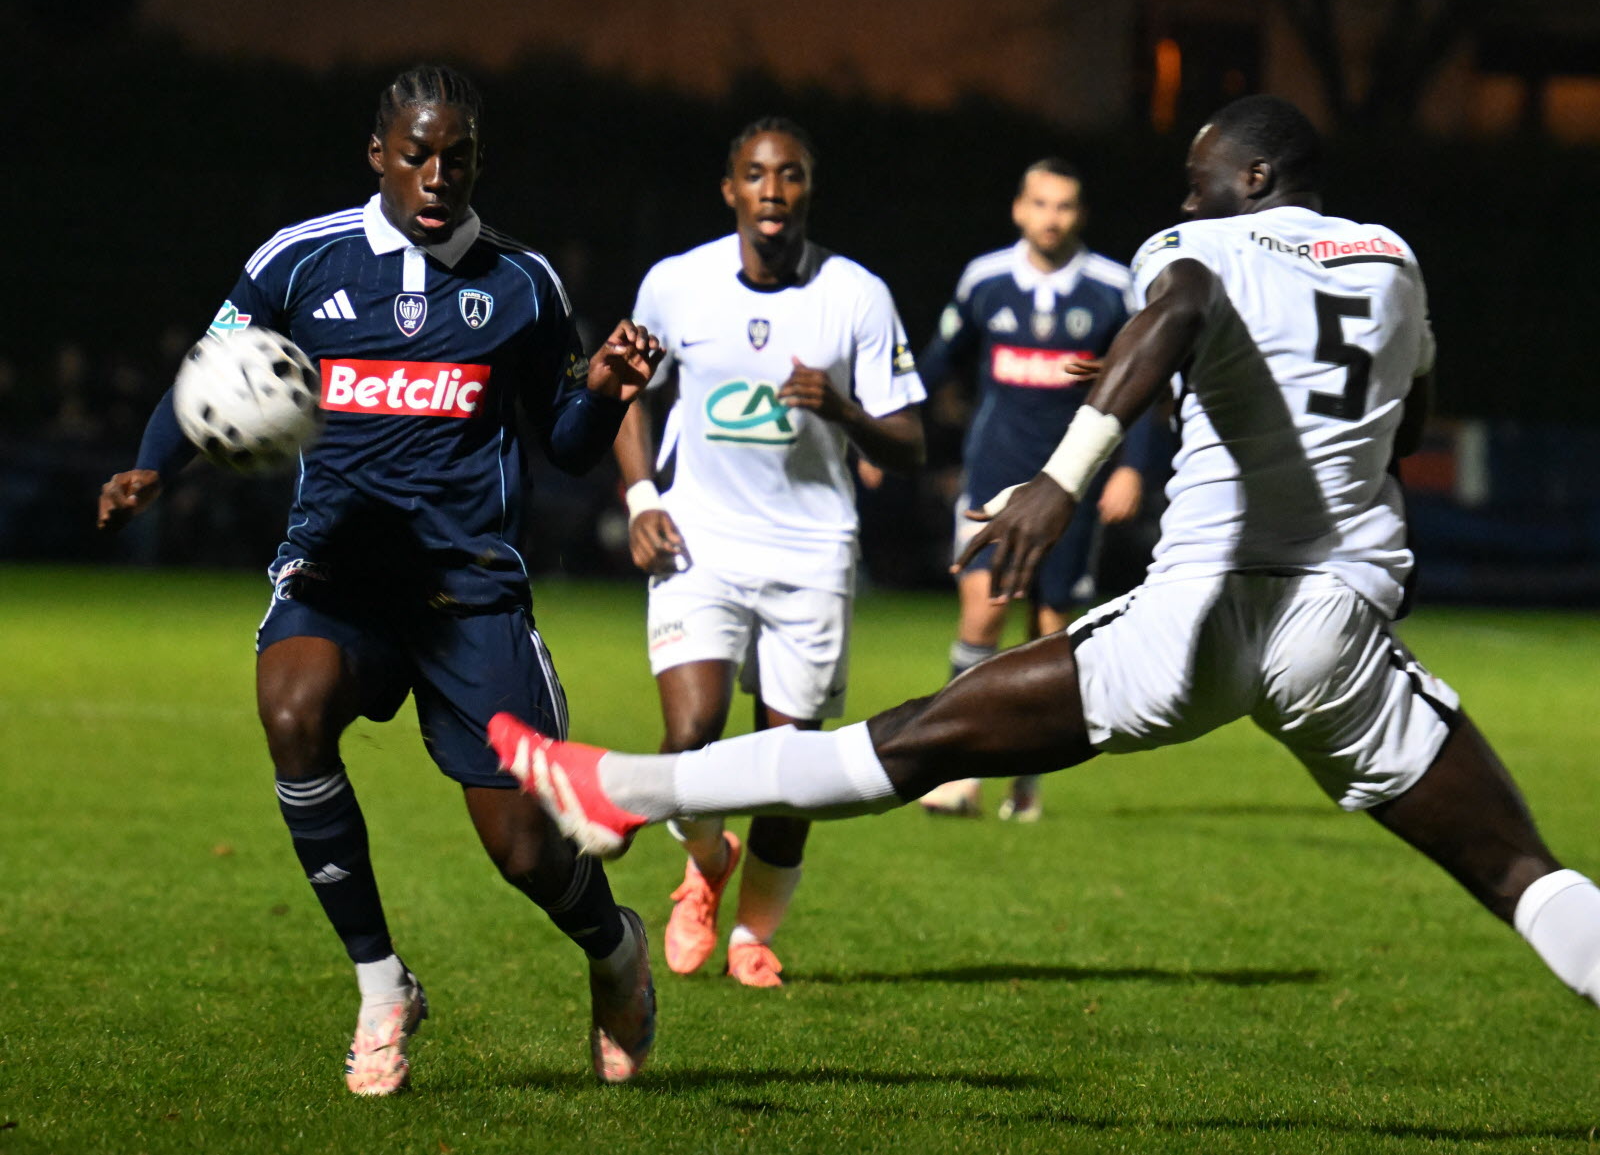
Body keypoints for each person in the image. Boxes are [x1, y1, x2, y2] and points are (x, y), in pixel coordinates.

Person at [489, 95, 1600, 1028]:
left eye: (1198, 174)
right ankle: (633, 793)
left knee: (912, 738)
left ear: (1255, 174)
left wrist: (1059, 481)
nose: (1181, 197)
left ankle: (625, 786)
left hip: (1196, 619)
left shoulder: (1185, 251)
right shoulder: (1392, 258)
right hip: (1335, 633)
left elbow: (1186, 309)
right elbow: (1406, 422)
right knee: (1522, 872)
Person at [97, 65, 662, 1093]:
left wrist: (610, 389)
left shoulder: (522, 282)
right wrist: (152, 464)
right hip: (339, 568)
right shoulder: (298, 260)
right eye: (417, 153)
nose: (437, 173)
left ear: (477, 161)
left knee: (528, 855)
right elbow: (210, 371)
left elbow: (569, 443)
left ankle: (614, 946)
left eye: (458, 155)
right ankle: (380, 980)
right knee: (292, 705)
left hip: (468, 588)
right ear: (379, 154)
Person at [614, 117, 925, 988]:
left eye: (790, 175)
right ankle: (706, 861)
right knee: (690, 735)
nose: (773, 191)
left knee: (793, 768)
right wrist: (641, 497)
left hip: (812, 550)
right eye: (756, 175)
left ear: (807, 190)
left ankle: (754, 932)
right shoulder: (677, 284)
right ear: (731, 190)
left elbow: (911, 443)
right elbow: (626, 392)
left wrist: (845, 409)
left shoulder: (854, 294)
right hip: (699, 539)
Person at [914, 158, 1166, 821]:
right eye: (1040, 203)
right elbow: (936, 363)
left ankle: (1026, 776)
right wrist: (883, 428)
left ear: (1078, 215)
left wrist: (1132, 465)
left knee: (1049, 635)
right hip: (994, 470)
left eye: (1064, 206)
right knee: (983, 611)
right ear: (1019, 210)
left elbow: (1144, 380)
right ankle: (956, 771)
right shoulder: (985, 280)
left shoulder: (1115, 287)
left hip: (1073, 482)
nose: (1051, 217)